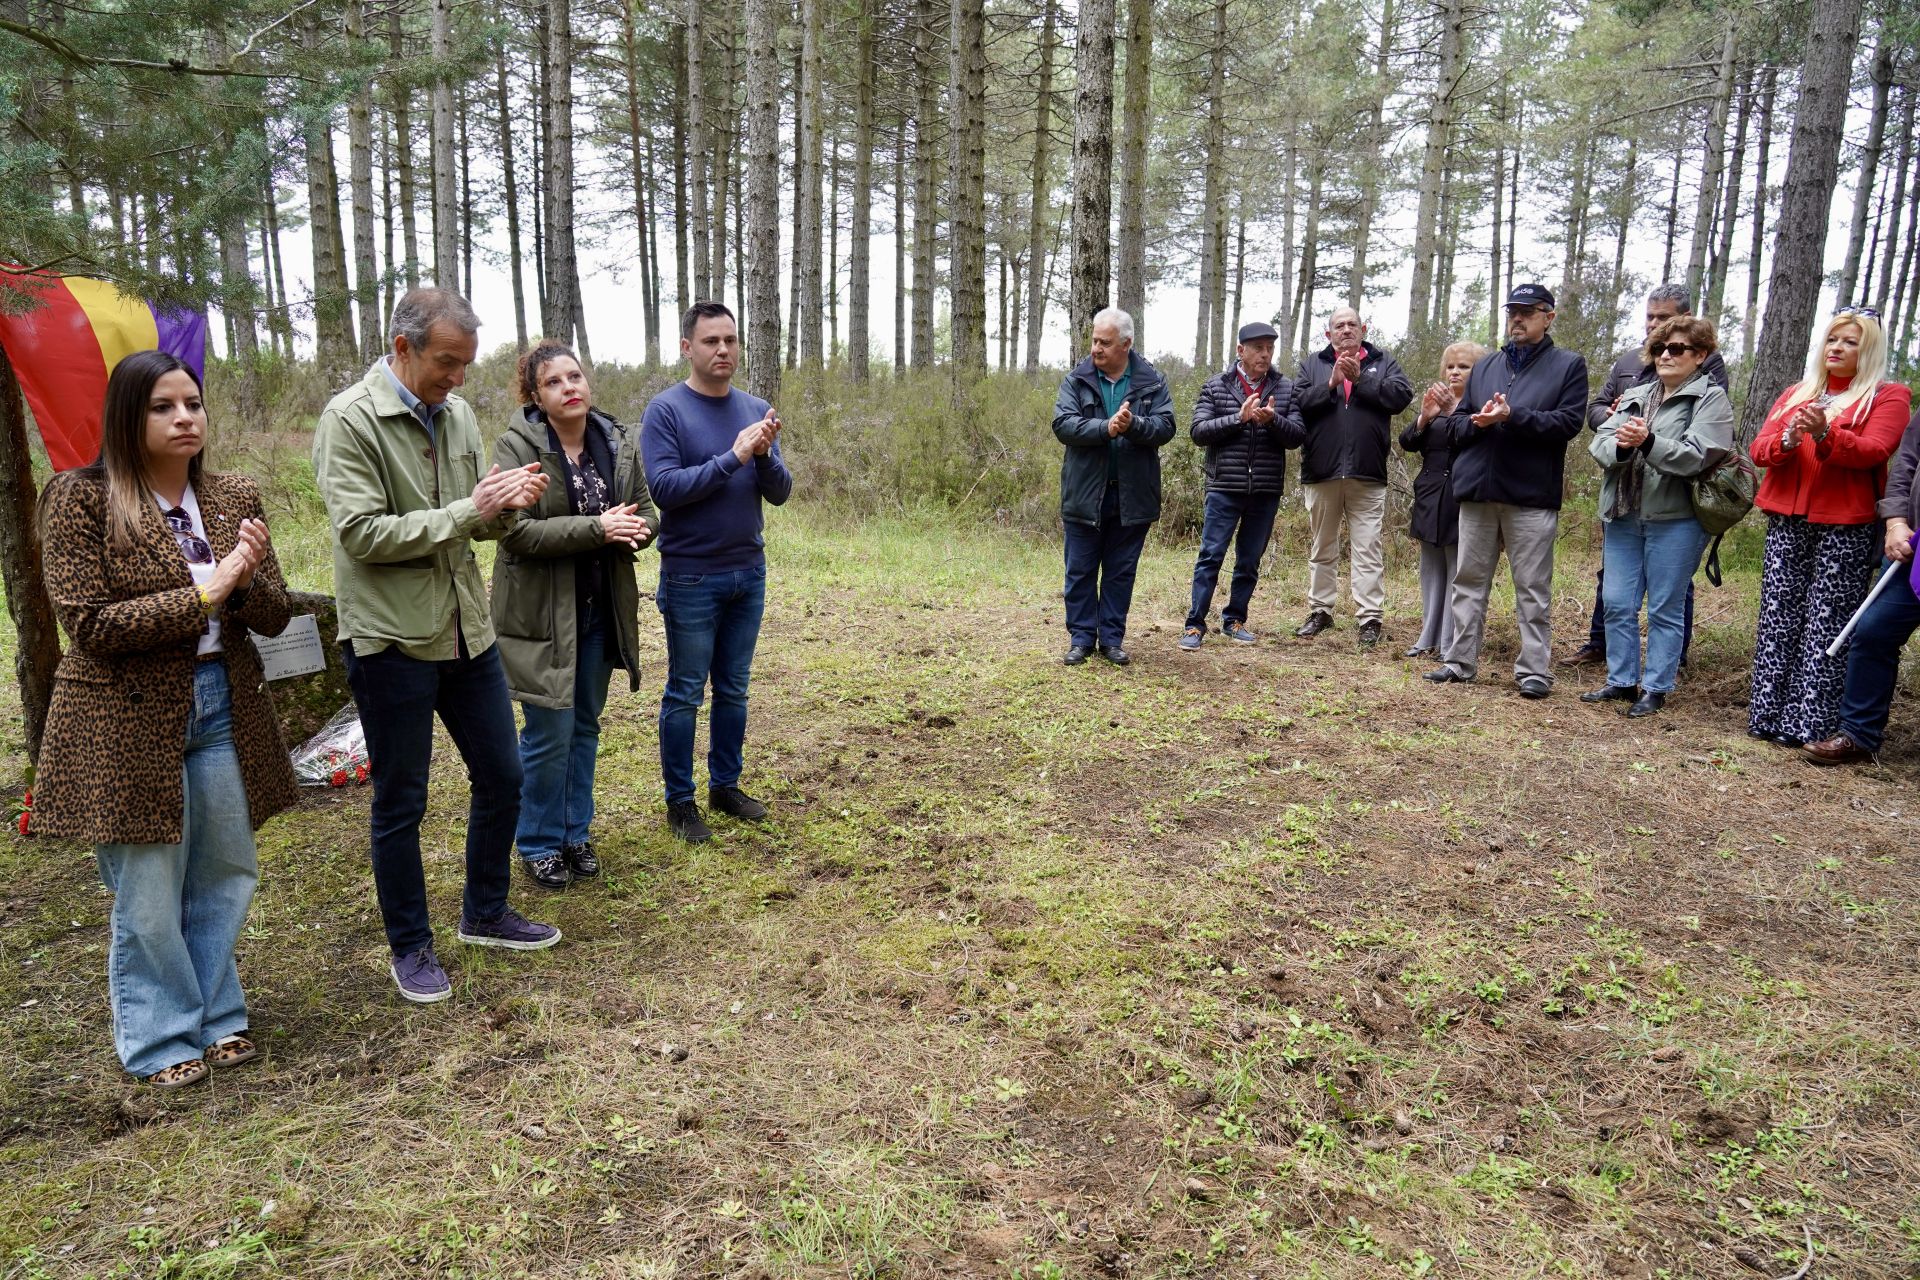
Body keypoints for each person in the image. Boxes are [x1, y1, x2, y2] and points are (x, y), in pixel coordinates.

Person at [36, 351, 296, 1086]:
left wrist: (246, 580)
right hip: (122, 719)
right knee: (148, 889)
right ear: (127, 415)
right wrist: (208, 592)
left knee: (225, 871)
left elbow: (274, 618)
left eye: (193, 403)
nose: (185, 417)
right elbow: (90, 624)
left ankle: (218, 1018)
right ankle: (160, 1038)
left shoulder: (231, 493)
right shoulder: (81, 499)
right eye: (162, 406)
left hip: (221, 704)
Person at [314, 287, 561, 1006]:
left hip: (464, 627)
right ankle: (411, 946)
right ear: (403, 348)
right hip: (391, 637)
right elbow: (360, 534)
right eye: (447, 362)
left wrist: (503, 504)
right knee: (403, 798)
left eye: (465, 365)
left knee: (503, 773)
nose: (458, 378)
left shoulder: (454, 417)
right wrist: (467, 511)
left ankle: (485, 912)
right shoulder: (350, 420)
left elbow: (472, 522)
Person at [492, 341, 658, 888]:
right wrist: (599, 529)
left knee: (584, 724)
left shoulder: (616, 442)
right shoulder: (519, 445)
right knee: (548, 729)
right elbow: (515, 534)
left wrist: (638, 531)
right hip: (543, 615)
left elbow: (646, 510)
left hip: (600, 609)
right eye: (554, 382)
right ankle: (537, 840)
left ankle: (573, 832)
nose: (570, 388)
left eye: (576, 376)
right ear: (535, 396)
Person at [641, 302, 793, 844]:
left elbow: (779, 492)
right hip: (691, 577)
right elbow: (664, 491)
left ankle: (724, 785)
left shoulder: (755, 407)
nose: (723, 349)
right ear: (688, 347)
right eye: (711, 341)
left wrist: (766, 455)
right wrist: (733, 457)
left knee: (734, 688)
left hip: (747, 572)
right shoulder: (666, 411)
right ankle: (679, 801)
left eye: (730, 339)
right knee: (685, 692)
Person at [1745, 308, 1912, 747]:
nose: (1837, 348)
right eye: (1833, 340)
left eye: (1850, 342)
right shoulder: (1797, 392)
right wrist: (1789, 439)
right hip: (1787, 517)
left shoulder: (1888, 396)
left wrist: (1825, 434)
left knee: (1826, 621)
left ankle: (1808, 724)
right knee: (1779, 616)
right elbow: (1759, 449)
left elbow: (1875, 450)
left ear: (1869, 350)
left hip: (1845, 524)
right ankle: (1766, 716)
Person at [1424, 284, 1589, 698]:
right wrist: (1477, 421)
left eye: (1528, 312)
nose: (1517, 318)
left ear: (1548, 317)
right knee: (1468, 580)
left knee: (1532, 587)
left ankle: (1534, 670)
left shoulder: (1568, 366)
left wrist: (1513, 416)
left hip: (1529, 494)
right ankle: (1460, 662)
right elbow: (1457, 425)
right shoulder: (1487, 366)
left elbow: (1568, 424)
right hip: (1479, 489)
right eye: (1513, 310)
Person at [1565, 284, 1731, 668]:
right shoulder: (1637, 389)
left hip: (1675, 515)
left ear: (1700, 354)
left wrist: (1648, 442)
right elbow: (1602, 433)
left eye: (1676, 348)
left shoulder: (1710, 393)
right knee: (1617, 601)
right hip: (1623, 511)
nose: (1666, 354)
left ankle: (1658, 683)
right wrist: (1623, 447)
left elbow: (1699, 454)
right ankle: (1621, 680)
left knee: (1664, 606)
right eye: (1660, 348)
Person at [1051, 306, 1176, 666]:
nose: (1095, 348)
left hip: (1132, 496)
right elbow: (1063, 424)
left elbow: (1166, 426)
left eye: (1104, 342)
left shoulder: (1152, 380)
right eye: (1093, 340)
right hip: (1085, 494)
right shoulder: (1076, 379)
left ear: (1126, 344)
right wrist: (1106, 428)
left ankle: (1111, 640)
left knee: (1121, 572)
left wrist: (1133, 424)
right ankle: (1080, 639)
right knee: (1080, 571)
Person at [1291, 306, 1414, 647]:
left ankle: (1370, 618)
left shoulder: (1383, 362)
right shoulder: (1313, 365)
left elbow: (1400, 397)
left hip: (1367, 472)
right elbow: (1297, 403)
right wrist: (1330, 384)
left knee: (1368, 548)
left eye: (1351, 324)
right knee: (1322, 546)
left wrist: (1361, 379)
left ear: (1363, 329)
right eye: (1338, 325)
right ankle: (1320, 611)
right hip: (1322, 470)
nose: (1345, 330)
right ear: (1328, 333)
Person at [1805, 404, 1920, 764]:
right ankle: (1858, 734)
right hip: (1911, 548)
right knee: (1872, 632)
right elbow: (1906, 466)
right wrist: (1896, 522)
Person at [1180, 321, 1305, 649]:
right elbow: (1198, 431)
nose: (1265, 354)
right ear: (1241, 351)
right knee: (1211, 556)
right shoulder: (1216, 386)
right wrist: (1240, 418)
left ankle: (1234, 620)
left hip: (1264, 489)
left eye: (1270, 348)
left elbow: (1297, 436)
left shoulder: (1285, 387)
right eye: (1259, 348)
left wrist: (1272, 419)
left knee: (1249, 559)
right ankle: (1195, 625)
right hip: (1224, 487)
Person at [1398, 341, 1484, 658]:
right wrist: (1423, 418)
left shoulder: (1479, 407)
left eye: (1463, 366)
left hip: (1461, 496)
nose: (1455, 371)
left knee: (1456, 571)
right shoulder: (1434, 405)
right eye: (1450, 366)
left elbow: (1473, 443)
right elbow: (1408, 442)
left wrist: (1452, 412)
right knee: (1430, 569)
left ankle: (1450, 642)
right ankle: (1427, 637)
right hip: (1430, 495)